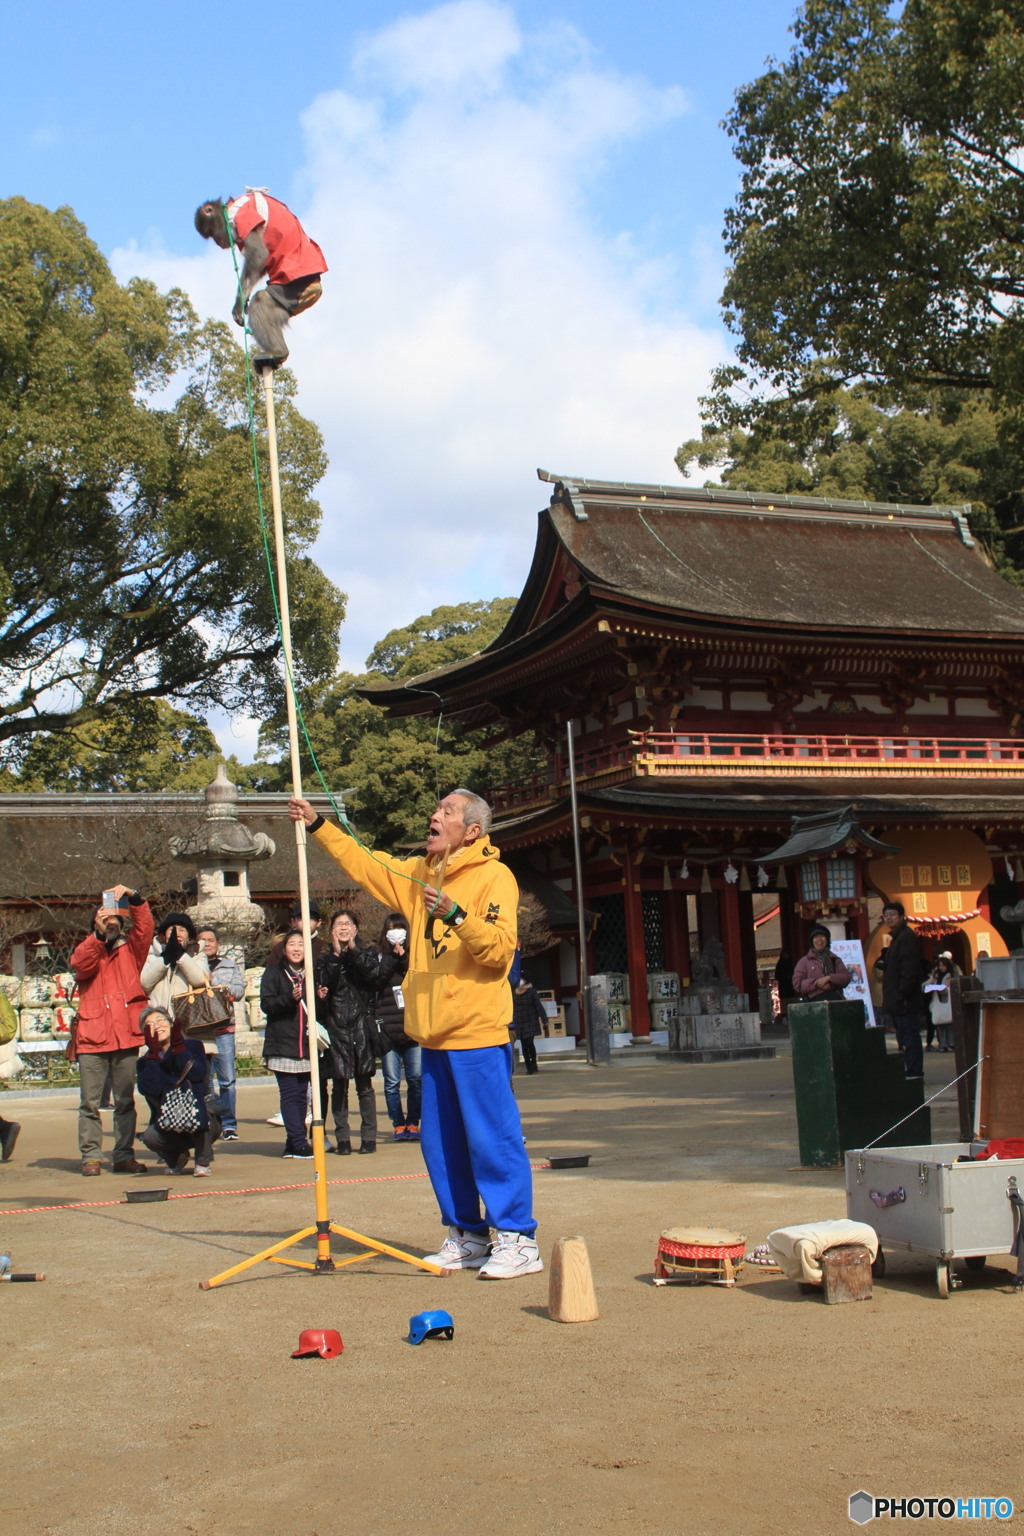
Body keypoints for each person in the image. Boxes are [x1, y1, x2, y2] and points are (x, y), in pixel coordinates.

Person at [289, 788, 541, 1280]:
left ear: (472, 830)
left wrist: (456, 915)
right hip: (431, 1032)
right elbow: (366, 863)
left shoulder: (496, 877)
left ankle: (517, 1238)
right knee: (441, 1141)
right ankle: (466, 1234)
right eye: (437, 808)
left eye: (446, 811)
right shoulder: (418, 871)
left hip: (477, 1031)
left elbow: (498, 953)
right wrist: (319, 824)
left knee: (491, 1137)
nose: (434, 815)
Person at [70, 885, 154, 1176]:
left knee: (124, 1101)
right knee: (90, 1103)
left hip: (125, 1035)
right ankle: (91, 1157)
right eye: (105, 920)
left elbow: (145, 927)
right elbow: (80, 965)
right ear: (95, 922)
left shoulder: (132, 951)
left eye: (115, 921)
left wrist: (134, 897)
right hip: (92, 1037)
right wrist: (97, 935)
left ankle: (123, 1154)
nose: (111, 924)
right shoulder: (87, 948)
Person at [194, 191, 327, 368]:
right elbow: (260, 260)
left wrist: (240, 297)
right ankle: (269, 355)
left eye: (213, 234)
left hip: (298, 275)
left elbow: (258, 256)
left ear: (210, 211)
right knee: (262, 312)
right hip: (298, 276)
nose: (218, 242)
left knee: (258, 304)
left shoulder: (241, 215)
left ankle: (276, 350)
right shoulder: (246, 208)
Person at [315, 910, 383, 1154]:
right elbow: (325, 984)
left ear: (356, 927)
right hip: (336, 1024)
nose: (343, 928)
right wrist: (335, 955)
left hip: (361, 1023)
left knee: (365, 1084)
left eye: (348, 923)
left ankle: (369, 1137)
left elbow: (374, 975)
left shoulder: (367, 951)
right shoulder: (324, 957)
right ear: (331, 929)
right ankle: (342, 1138)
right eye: (339, 924)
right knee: (339, 1085)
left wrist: (353, 949)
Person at [136, 1006, 221, 1176]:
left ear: (171, 1023)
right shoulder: (145, 1061)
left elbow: (197, 1074)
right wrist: (153, 1055)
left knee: (200, 1114)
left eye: (161, 1020)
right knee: (150, 1137)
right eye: (150, 1024)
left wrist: (178, 1047)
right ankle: (176, 1158)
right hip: (167, 1120)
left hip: (198, 1114)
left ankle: (203, 1160)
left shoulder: (193, 1046)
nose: (157, 1025)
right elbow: (150, 1089)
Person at [260, 931, 315, 1159]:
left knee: (303, 1096)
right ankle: (299, 1141)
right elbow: (267, 1004)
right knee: (290, 1094)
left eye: (301, 944)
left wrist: (320, 995)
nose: (296, 949)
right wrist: (288, 998)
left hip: (306, 1043)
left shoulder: (311, 974)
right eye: (292, 944)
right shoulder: (274, 973)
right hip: (283, 1043)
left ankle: (293, 1142)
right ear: (284, 949)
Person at [373, 912, 421, 1142]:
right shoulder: (379, 956)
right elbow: (377, 980)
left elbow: (417, 977)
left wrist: (403, 956)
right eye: (391, 929)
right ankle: (398, 1123)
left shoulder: (415, 956)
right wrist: (392, 956)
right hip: (387, 1028)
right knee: (392, 1081)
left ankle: (413, 1122)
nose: (396, 933)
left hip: (412, 1026)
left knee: (416, 1078)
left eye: (400, 929)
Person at [196, 927, 245, 1141]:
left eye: (211, 940)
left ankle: (229, 1124)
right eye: (202, 940)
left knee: (227, 1080)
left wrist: (214, 982)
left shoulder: (229, 965)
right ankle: (209, 1121)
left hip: (224, 1028)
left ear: (218, 944)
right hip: (200, 1030)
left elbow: (239, 991)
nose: (207, 944)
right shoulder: (191, 965)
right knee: (205, 1080)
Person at [874, 900, 926, 1080]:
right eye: (886, 915)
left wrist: (902, 995)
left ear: (902, 917)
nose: (889, 918)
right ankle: (911, 1069)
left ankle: (914, 1071)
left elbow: (909, 970)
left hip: (905, 1000)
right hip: (898, 999)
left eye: (892, 915)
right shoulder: (897, 938)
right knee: (904, 1037)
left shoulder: (906, 937)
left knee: (909, 1037)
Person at [791, 925, 853, 1001]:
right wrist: (816, 982)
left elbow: (847, 977)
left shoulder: (835, 959)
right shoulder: (804, 962)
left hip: (835, 1000)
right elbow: (797, 985)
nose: (819, 939)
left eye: (822, 936)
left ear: (827, 940)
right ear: (812, 941)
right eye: (816, 937)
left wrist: (830, 978)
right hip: (814, 1003)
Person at [511, 976, 547, 1074]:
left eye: (522, 979)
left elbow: (538, 1006)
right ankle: (528, 1067)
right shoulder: (515, 993)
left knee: (530, 1043)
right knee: (524, 1045)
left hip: (531, 1021)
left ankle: (534, 1065)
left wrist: (544, 1020)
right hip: (520, 1022)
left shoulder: (532, 992)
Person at [927, 953, 959, 1052]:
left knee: (949, 1023)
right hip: (938, 1000)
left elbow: (949, 988)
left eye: (943, 965)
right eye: (940, 965)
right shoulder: (936, 975)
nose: (941, 967)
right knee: (940, 1023)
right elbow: (927, 984)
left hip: (948, 1000)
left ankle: (951, 1043)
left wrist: (939, 988)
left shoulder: (951, 975)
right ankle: (943, 1044)